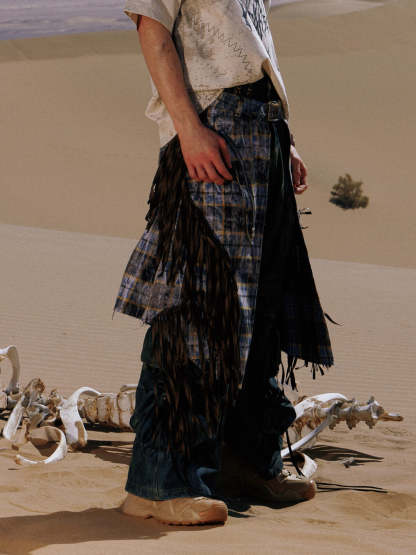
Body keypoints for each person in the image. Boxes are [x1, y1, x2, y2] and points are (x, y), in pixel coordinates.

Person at [113, 0, 334, 526]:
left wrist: (286, 138)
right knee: (197, 309)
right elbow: (151, 25)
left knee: (262, 312)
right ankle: (158, 484)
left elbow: (251, 40)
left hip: (263, 128)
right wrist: (188, 128)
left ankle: (246, 466)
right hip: (212, 123)